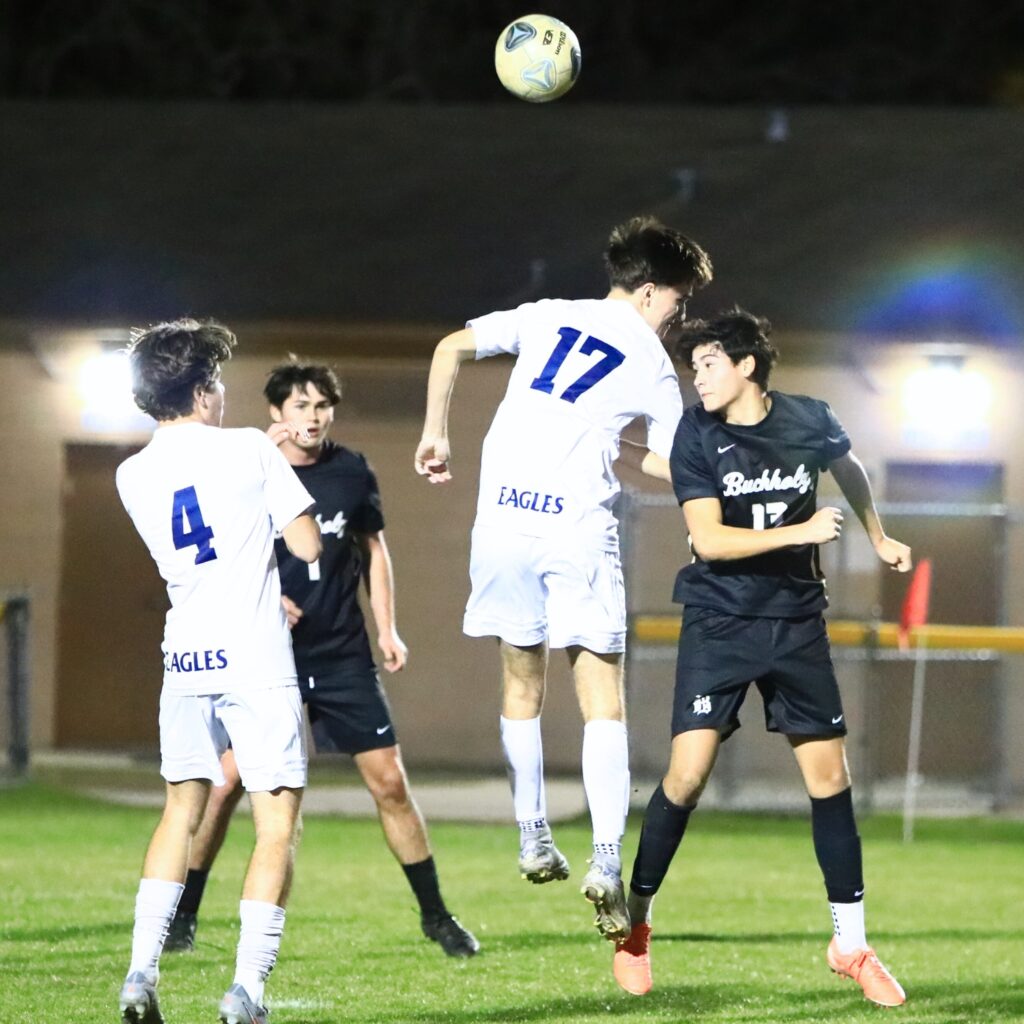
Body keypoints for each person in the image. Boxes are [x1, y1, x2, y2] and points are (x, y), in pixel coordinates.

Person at [414, 216, 713, 939]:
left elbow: (451, 345)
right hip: (574, 529)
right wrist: (716, 478)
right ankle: (606, 859)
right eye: (677, 300)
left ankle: (532, 833)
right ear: (648, 292)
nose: (680, 316)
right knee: (600, 695)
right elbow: (667, 463)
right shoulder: (651, 365)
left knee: (521, 682)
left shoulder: (550, 316)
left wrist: (435, 431)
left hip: (502, 521)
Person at [611, 309, 911, 1007]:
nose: (699, 376)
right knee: (686, 776)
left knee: (830, 779)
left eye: (709, 363)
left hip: (797, 620)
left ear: (747, 364)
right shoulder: (697, 432)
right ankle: (636, 929)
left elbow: (850, 465)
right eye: (694, 367)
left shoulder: (809, 417)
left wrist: (877, 534)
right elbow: (711, 542)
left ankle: (851, 945)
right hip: (720, 623)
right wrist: (804, 527)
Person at [164, 360, 480, 959]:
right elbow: (212, 553)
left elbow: (374, 549)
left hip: (341, 654)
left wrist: (387, 627)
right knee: (226, 783)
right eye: (300, 406)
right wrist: (266, 598)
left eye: (321, 406)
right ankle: (184, 915)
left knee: (389, 781)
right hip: (263, 654)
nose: (312, 417)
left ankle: (437, 917)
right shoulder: (246, 468)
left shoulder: (351, 471)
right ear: (276, 414)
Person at [114, 320, 321, 1024]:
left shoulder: (130, 473)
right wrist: (274, 472)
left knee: (181, 810)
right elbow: (308, 542)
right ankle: (246, 993)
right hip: (255, 657)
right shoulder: (248, 451)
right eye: (220, 384)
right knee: (275, 825)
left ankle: (140, 975)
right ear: (203, 391)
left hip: (185, 656)